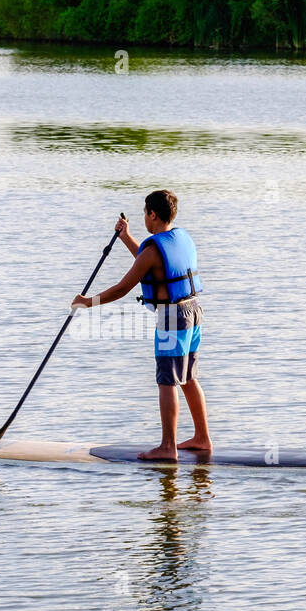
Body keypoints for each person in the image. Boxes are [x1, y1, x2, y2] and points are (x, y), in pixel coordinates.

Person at [71, 189, 210, 461]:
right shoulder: (178, 237)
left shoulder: (154, 249)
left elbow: (123, 288)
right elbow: (151, 264)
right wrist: (126, 238)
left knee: (167, 380)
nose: (144, 217)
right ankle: (202, 438)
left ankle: (168, 447)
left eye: (145, 212)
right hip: (193, 311)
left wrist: (87, 303)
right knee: (189, 378)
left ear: (153, 214)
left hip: (172, 317)